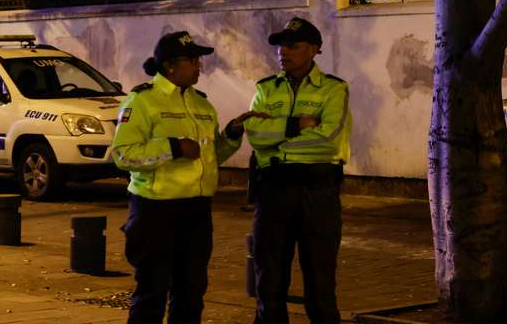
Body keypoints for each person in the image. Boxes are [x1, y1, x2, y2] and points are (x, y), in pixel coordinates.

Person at [112, 30, 251, 324]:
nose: (199, 65)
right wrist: (172, 147)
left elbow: (209, 156)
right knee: (152, 293)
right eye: (193, 60)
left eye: (199, 60)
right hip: (156, 212)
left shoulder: (202, 105)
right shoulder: (142, 101)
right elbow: (123, 155)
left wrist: (231, 135)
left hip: (196, 211)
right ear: (169, 65)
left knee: (191, 293)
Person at [243, 17, 351, 323]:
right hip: (273, 191)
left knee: (320, 281)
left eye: (293, 45)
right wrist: (295, 126)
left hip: (317, 191)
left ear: (315, 49)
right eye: (280, 45)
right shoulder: (266, 88)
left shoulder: (333, 89)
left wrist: (277, 147)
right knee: (269, 279)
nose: (283, 51)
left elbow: (329, 140)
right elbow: (255, 134)